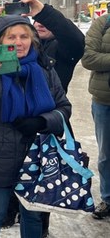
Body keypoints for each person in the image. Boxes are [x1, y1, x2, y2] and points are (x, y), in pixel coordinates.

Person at [0, 15, 71, 238]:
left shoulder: (45, 69)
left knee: (31, 214)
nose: (18, 42)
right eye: (11, 36)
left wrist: (42, 121)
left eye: (24, 36)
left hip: (35, 155)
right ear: (0, 41)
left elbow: (64, 108)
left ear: (32, 40)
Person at [1, 0, 85, 235]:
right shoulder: (21, 44)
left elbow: (77, 39)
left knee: (44, 176)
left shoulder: (64, 48)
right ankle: (9, 211)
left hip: (47, 122)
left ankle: (41, 226)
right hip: (14, 120)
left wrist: (44, 12)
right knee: (11, 169)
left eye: (43, 21)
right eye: (34, 20)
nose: (39, 24)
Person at [81, 13, 110, 220]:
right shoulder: (103, 22)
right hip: (104, 101)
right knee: (107, 155)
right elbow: (88, 58)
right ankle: (108, 199)